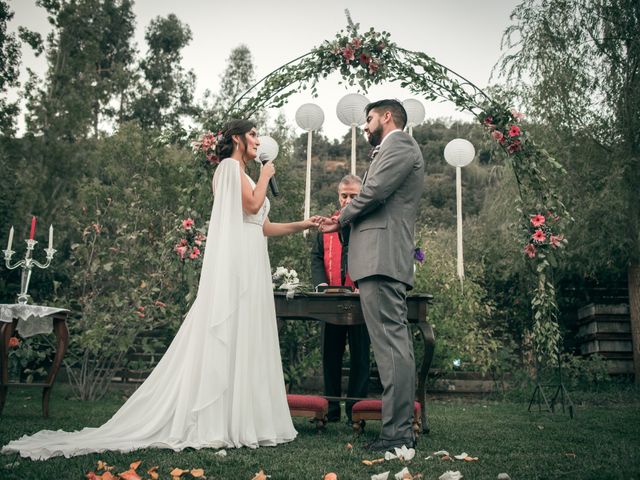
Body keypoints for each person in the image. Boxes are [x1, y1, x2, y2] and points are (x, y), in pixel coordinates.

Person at [2, 119, 320, 460]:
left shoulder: (241, 174)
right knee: (230, 331)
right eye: (253, 134)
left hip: (253, 258)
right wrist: (265, 177)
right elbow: (253, 206)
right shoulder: (228, 169)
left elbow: (262, 226)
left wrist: (305, 223)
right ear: (238, 139)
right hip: (237, 264)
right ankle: (217, 420)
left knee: (247, 335)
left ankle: (243, 418)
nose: (258, 139)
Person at [320, 99, 424, 451]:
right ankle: (398, 431)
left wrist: (341, 218)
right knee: (391, 349)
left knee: (392, 349)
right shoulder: (390, 149)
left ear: (387, 116)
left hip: (381, 259)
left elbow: (375, 191)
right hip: (377, 260)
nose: (365, 126)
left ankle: (397, 435)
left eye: (369, 119)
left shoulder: (400, 145)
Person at [311, 174, 370, 423]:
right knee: (330, 356)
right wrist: (321, 284)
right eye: (344, 195)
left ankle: (356, 412)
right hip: (330, 300)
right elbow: (316, 258)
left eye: (354, 196)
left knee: (360, 357)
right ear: (338, 196)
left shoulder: (367, 225)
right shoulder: (327, 226)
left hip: (361, 300)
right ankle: (331, 410)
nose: (348, 200)